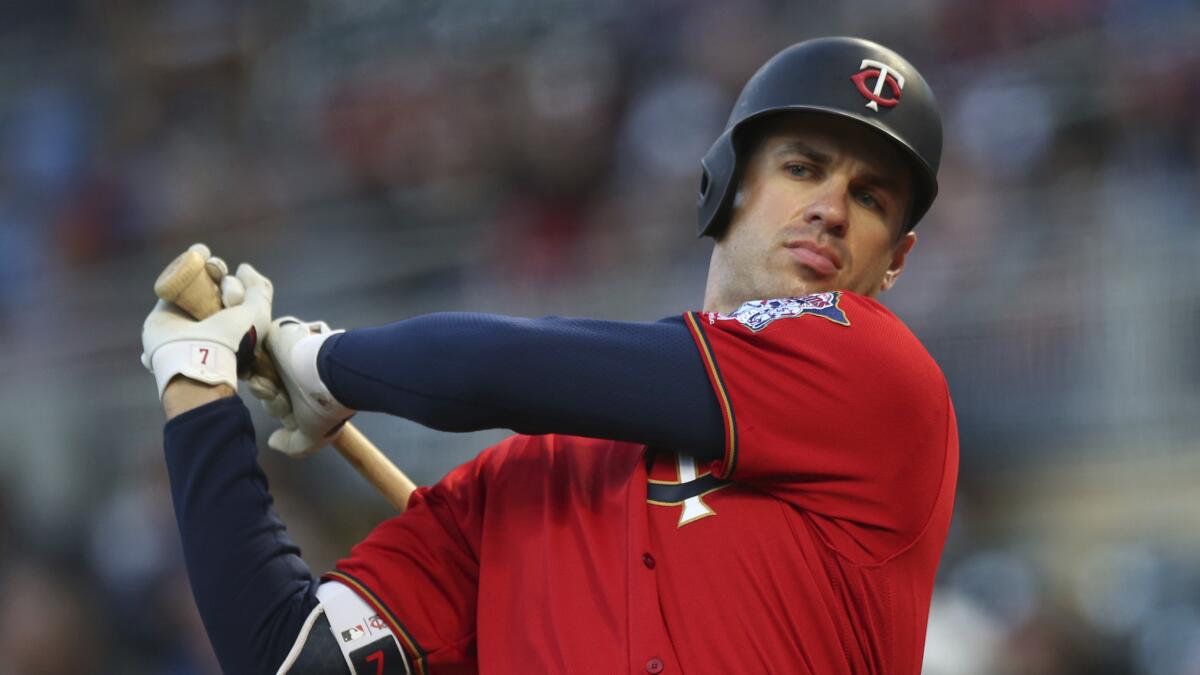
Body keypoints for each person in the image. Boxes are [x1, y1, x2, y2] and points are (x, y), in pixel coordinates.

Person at [141, 37, 958, 674]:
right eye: (803, 168)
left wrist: (327, 364)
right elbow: (286, 656)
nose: (830, 210)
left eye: (870, 198)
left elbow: (486, 372)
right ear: (725, 182)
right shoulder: (515, 489)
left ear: (897, 258)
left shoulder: (882, 376)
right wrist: (195, 385)